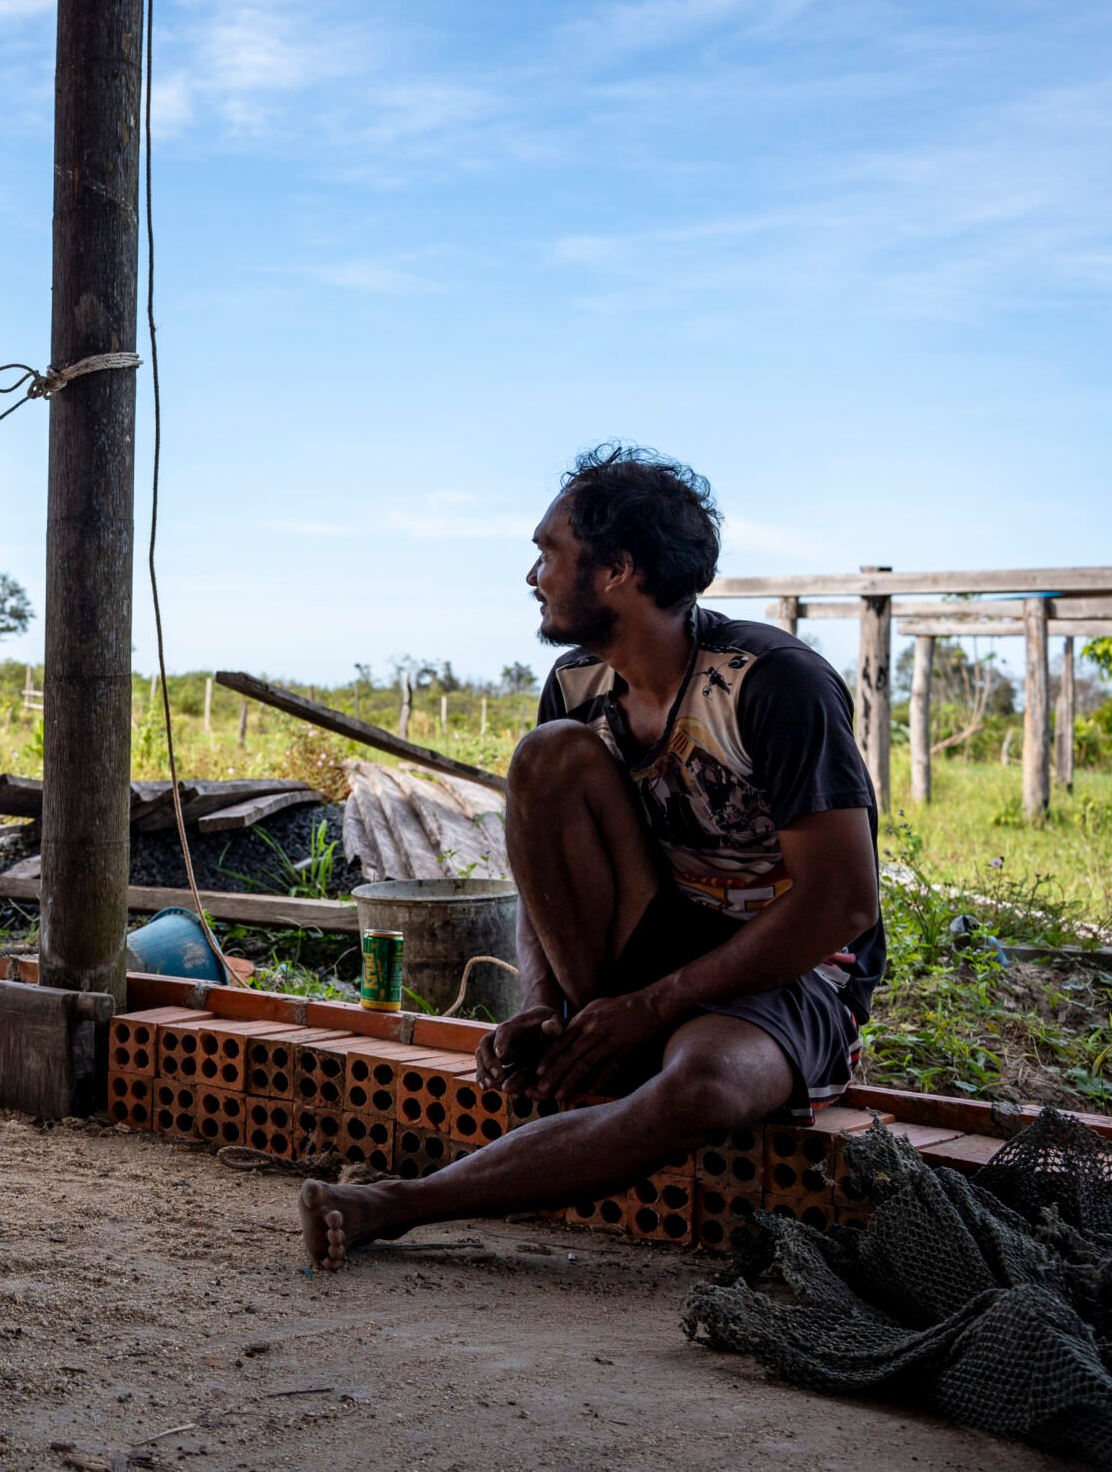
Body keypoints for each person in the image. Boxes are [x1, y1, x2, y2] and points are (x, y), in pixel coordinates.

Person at [300, 445, 882, 1269]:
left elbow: (842, 903)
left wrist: (653, 1007)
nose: (533, 574)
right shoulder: (577, 685)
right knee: (547, 755)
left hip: (789, 967)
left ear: (616, 569)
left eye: (549, 553)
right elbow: (550, 874)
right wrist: (543, 998)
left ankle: (397, 1205)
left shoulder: (772, 683)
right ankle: (586, 1028)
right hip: (658, 938)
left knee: (706, 1088)